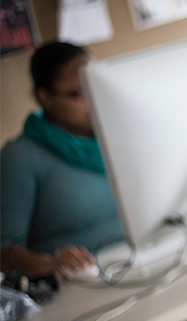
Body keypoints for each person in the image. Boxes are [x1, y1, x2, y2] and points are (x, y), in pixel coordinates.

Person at [1, 42, 123, 281]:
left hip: (147, 259)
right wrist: (50, 262)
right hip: (81, 283)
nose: (92, 100)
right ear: (45, 97)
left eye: (94, 86)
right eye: (78, 93)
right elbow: (3, 250)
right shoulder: (21, 157)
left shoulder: (119, 137)